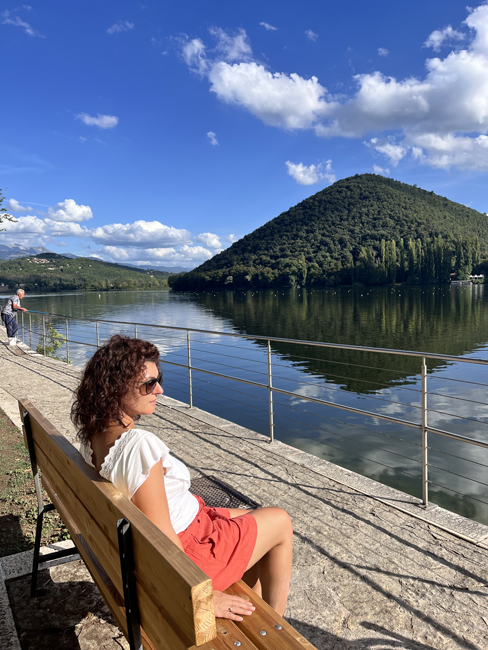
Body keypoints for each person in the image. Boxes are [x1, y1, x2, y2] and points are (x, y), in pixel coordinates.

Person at [71, 335, 293, 621]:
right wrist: (203, 598)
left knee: (253, 516)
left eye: (158, 379)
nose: (159, 389)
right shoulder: (138, 445)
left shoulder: (93, 438)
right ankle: (276, 625)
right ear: (115, 387)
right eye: (149, 383)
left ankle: (251, 607)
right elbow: (163, 537)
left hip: (191, 521)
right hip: (191, 548)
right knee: (280, 521)